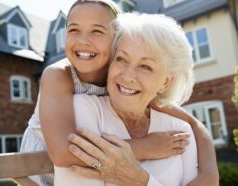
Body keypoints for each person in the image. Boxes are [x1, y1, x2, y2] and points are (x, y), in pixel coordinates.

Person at [20, 0, 218, 186]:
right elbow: (62, 152)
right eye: (73, 30)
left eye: (96, 31)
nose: (83, 40)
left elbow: (193, 124)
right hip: (35, 176)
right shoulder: (58, 75)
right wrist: (146, 147)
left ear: (116, 40)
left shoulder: (119, 80)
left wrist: (209, 172)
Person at [59, 12, 199, 186]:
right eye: (121, 59)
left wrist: (140, 181)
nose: (128, 76)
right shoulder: (84, 108)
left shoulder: (179, 130)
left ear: (165, 82)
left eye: (145, 66)